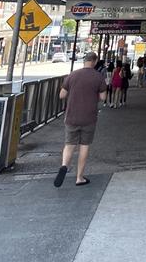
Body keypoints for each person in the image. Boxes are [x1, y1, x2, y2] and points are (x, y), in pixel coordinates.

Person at [54, 51, 106, 188]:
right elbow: (103, 97)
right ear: (94, 62)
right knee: (84, 146)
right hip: (89, 117)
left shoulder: (72, 75)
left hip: (71, 116)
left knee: (69, 144)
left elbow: (62, 95)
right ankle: (79, 177)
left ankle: (64, 165)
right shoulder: (98, 77)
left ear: (84, 61)